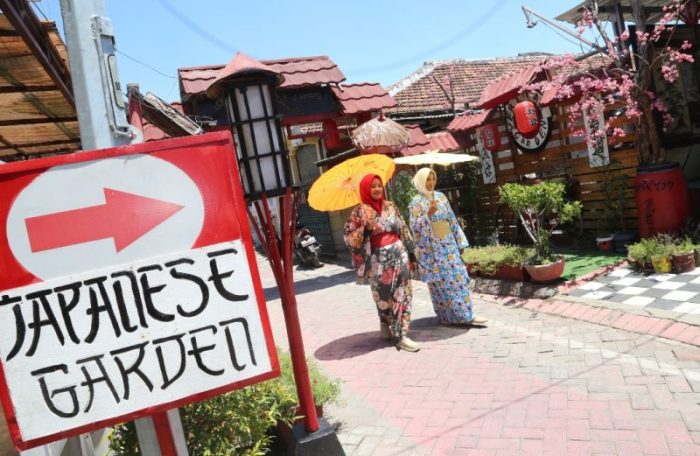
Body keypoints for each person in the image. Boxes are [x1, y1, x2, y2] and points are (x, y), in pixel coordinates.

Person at [344, 174, 420, 352]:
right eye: (373, 186)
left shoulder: (390, 206)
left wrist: (411, 254)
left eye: (379, 185)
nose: (377, 189)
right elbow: (349, 238)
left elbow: (403, 228)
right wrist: (365, 230)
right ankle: (385, 322)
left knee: (403, 294)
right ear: (366, 189)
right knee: (383, 296)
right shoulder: (359, 212)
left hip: (399, 256)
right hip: (378, 262)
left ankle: (401, 335)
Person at [408, 167, 487, 327]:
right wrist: (428, 214)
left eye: (433, 178)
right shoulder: (415, 202)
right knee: (439, 284)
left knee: (457, 278)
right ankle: (446, 316)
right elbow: (414, 227)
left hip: (448, 245)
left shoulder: (441, 197)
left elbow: (451, 219)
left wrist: (460, 241)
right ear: (421, 181)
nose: (431, 182)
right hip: (431, 250)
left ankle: (467, 315)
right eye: (427, 179)